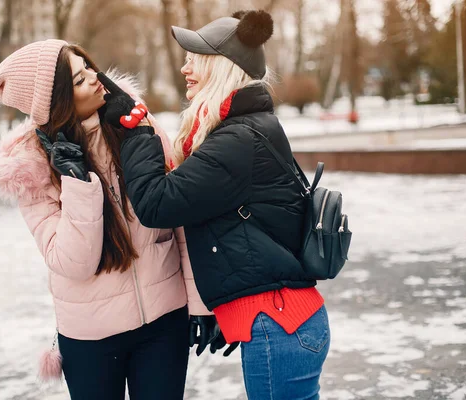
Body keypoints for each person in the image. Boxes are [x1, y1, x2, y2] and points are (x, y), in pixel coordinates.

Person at [0, 39, 217, 400]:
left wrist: (200, 301)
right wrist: (78, 182)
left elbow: (179, 217)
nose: (96, 79)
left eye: (89, 69)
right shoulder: (30, 167)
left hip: (165, 321)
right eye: (80, 80)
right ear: (56, 102)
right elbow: (72, 262)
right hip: (91, 339)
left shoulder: (135, 123)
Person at [99, 10, 330, 400]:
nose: (185, 68)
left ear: (222, 68)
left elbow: (158, 203)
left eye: (195, 59)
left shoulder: (238, 140)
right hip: (280, 322)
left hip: (278, 325)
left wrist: (136, 133)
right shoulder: (245, 129)